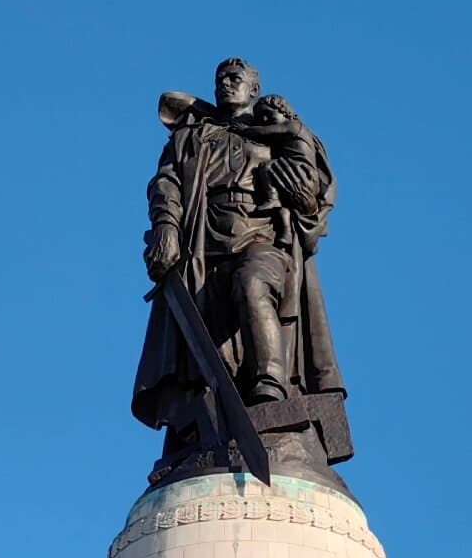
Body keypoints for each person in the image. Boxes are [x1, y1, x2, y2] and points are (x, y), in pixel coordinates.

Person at [133, 57, 345, 428]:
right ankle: (213, 417)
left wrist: (305, 199)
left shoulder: (278, 131)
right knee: (206, 341)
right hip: (203, 240)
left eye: (235, 78)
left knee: (253, 283)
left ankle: (271, 383)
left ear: (254, 89)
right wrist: (167, 227)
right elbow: (166, 185)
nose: (225, 85)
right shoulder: (192, 136)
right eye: (220, 80)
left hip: (261, 232)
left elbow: (314, 188)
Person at [245, 93, 320, 250]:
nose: (265, 120)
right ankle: (285, 233)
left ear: (283, 110)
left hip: (302, 172)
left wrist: (245, 130)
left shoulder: (294, 126)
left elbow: (265, 133)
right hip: (299, 174)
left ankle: (271, 199)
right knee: (284, 208)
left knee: (267, 168)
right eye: (261, 117)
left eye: (268, 114)